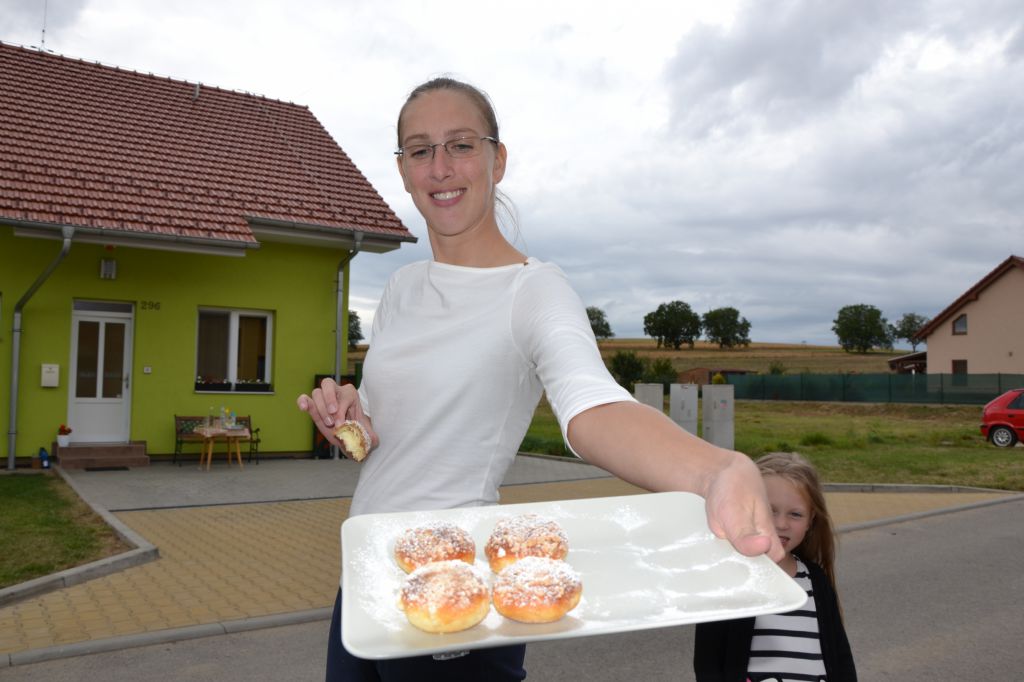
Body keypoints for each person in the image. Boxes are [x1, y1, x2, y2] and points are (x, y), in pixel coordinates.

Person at [298, 76, 783, 681]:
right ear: (403, 170)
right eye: (421, 150)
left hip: (458, 595)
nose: (441, 167)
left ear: (497, 160)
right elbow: (382, 431)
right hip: (369, 576)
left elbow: (592, 406)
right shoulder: (400, 289)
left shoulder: (533, 290)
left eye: (461, 145)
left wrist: (714, 470)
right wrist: (351, 416)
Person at [693, 452, 857, 682]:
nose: (781, 524)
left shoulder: (815, 579)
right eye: (770, 510)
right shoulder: (729, 578)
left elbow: (840, 656)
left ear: (811, 520)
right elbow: (708, 661)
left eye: (795, 514)